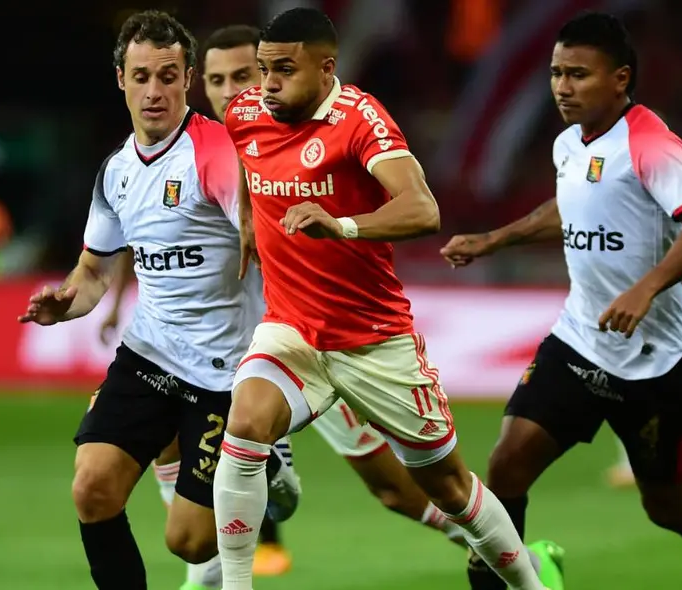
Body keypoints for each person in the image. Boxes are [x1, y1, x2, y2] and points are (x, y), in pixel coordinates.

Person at [99, 22, 489, 579]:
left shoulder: (283, 139)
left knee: (392, 489)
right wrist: (119, 300)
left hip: (314, 340)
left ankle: (489, 545)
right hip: (237, 359)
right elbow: (140, 232)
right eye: (218, 78)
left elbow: (384, 210)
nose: (234, 88)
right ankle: (235, 528)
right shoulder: (196, 151)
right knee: (179, 457)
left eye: (246, 75)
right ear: (200, 85)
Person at [440, 11, 682, 590]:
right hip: (580, 341)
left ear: (620, 79)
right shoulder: (569, 144)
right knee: (507, 463)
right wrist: (496, 238)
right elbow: (571, 206)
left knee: (671, 507)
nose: (563, 86)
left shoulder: (651, 143)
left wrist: (645, 288)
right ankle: (506, 582)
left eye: (579, 75)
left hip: (655, 361)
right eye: (557, 73)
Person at [213, 8, 546, 590]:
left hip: (373, 341)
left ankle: (531, 585)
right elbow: (247, 160)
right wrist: (247, 220)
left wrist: (341, 226)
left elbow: (423, 209)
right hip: (292, 331)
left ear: (326, 68)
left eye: (283, 70)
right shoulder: (246, 113)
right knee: (242, 427)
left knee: (449, 487)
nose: (265, 85)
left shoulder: (359, 119)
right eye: (262, 70)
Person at [17, 11, 300, 590]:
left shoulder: (214, 150)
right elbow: (94, 269)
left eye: (168, 76)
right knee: (92, 488)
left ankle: (262, 464)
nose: (155, 91)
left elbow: (241, 202)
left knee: (189, 541)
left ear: (188, 78)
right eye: (142, 76)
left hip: (224, 374)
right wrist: (65, 302)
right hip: (149, 355)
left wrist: (252, 226)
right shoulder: (116, 171)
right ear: (120, 77)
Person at [607, 150, 682, 487]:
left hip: (678, 291)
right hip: (633, 289)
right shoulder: (615, 171)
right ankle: (632, 458)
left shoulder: (681, 171)